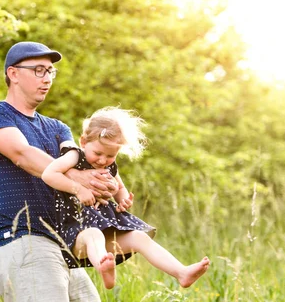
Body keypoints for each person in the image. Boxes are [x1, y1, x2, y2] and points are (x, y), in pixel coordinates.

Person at [0, 41, 117, 302]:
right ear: (12, 74)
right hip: (19, 239)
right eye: (38, 70)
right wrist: (79, 179)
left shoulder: (58, 128)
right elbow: (22, 154)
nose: (46, 77)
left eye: (50, 71)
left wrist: (106, 186)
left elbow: (84, 171)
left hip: (59, 248)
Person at [42, 107, 210, 290]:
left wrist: (123, 200)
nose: (102, 160)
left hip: (104, 225)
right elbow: (49, 173)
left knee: (139, 237)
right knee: (94, 234)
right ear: (83, 141)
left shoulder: (110, 165)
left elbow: (119, 187)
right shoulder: (75, 156)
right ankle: (104, 267)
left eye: (110, 155)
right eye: (98, 153)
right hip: (74, 230)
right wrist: (78, 189)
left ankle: (181, 272)